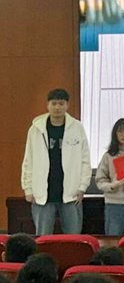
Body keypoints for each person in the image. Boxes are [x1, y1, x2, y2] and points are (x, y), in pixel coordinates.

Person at [21, 88, 91, 235]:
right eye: (54, 103)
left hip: (71, 194)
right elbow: (28, 160)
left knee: (73, 239)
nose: (57, 107)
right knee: (42, 238)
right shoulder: (36, 129)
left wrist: (82, 187)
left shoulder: (77, 128)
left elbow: (85, 160)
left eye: (61, 103)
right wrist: (28, 188)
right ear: (48, 105)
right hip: (43, 195)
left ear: (67, 105)